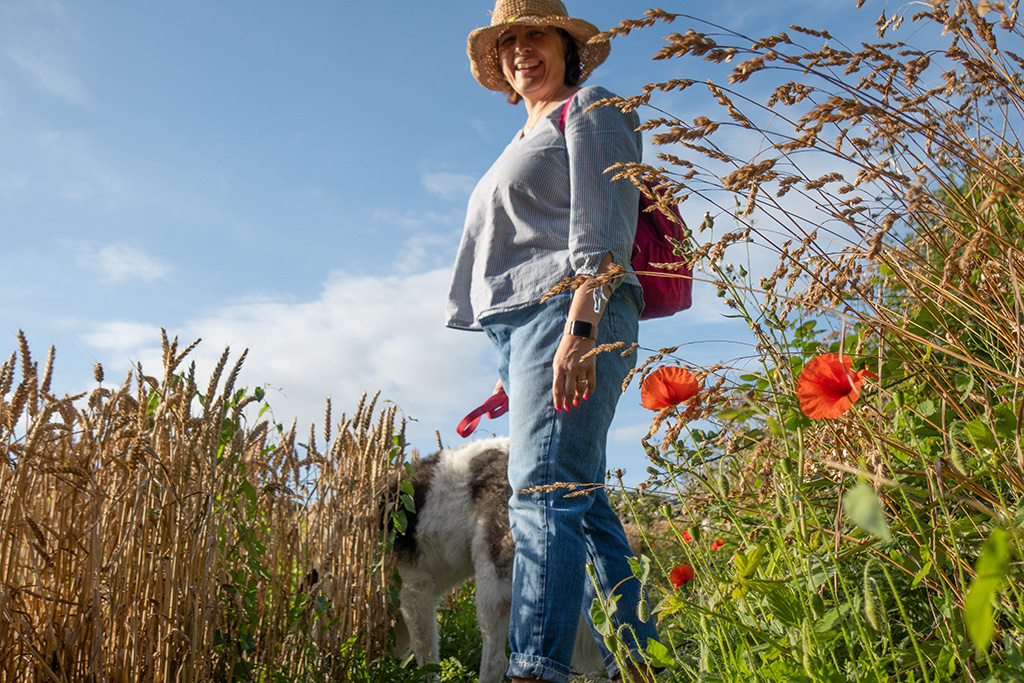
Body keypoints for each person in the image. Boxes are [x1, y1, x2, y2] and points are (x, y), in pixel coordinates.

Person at [445, 1, 661, 681]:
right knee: (580, 501)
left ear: (566, 45)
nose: (520, 51)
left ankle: (536, 668)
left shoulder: (590, 107)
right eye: (508, 41)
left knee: (541, 492)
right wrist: (515, 357)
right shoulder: (521, 137)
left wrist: (580, 323)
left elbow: (604, 221)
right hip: (523, 328)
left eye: (534, 35)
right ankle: (642, 662)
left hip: (567, 313)